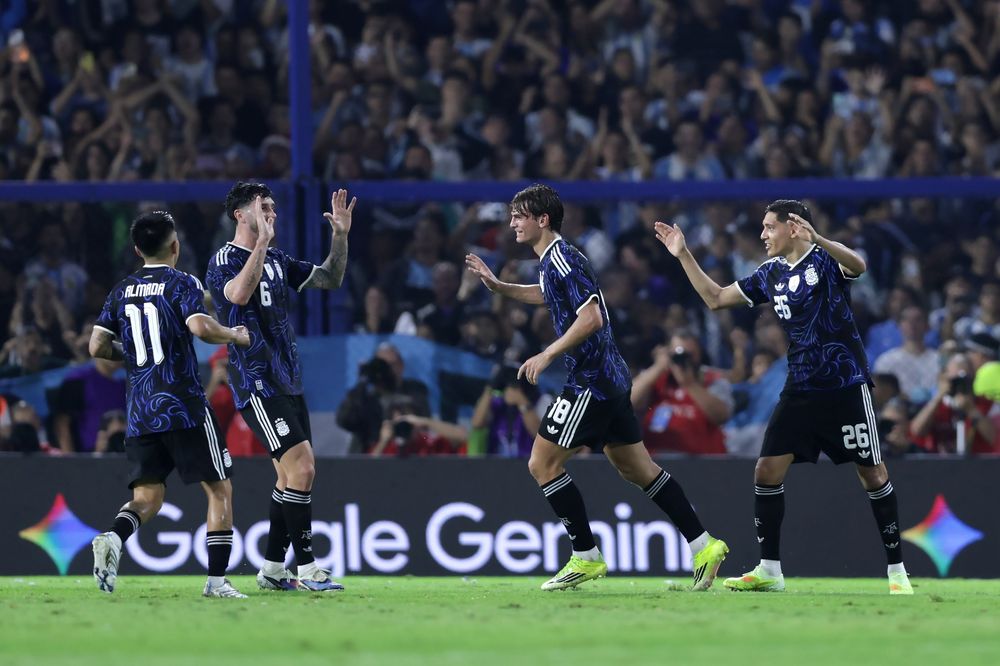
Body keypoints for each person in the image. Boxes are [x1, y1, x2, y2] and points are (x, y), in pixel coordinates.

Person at [465, 184, 728, 592]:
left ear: (542, 219)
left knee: (542, 463)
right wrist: (501, 288)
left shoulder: (562, 259)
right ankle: (704, 545)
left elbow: (591, 318)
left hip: (591, 381)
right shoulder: (555, 260)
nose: (512, 222)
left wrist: (547, 354)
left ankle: (585, 555)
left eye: (519, 215)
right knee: (637, 469)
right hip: (610, 380)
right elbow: (549, 295)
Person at [654, 199, 913, 595]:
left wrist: (820, 239)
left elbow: (859, 266)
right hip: (800, 388)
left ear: (793, 227)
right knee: (766, 472)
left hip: (844, 386)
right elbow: (716, 298)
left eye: (769, 227)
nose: (763, 235)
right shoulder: (770, 273)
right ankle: (770, 571)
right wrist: (683, 254)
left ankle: (897, 572)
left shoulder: (825, 259)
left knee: (873, 474)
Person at [88, 211, 251, 598]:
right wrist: (234, 335)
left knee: (147, 498)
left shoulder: (121, 290)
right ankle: (216, 582)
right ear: (175, 246)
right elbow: (200, 327)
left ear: (137, 250)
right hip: (183, 405)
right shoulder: (182, 282)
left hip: (141, 411)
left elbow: (96, 346)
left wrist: (133, 354)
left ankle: (114, 536)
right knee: (219, 490)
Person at [206, 182, 355, 592]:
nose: (272, 214)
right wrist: (262, 243)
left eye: (273, 207)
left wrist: (340, 237)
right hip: (257, 383)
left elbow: (330, 278)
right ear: (240, 215)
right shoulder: (223, 260)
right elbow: (238, 294)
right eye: (263, 207)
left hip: (288, 380)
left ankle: (272, 568)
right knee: (303, 467)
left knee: (290, 478)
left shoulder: (277, 258)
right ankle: (307, 568)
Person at [630, 330, 733, 455]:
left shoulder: (713, 380)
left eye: (690, 355)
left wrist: (689, 384)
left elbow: (721, 416)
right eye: (678, 354)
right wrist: (658, 367)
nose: (683, 360)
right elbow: (627, 403)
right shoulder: (657, 379)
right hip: (657, 459)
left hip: (701, 460)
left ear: (700, 354)